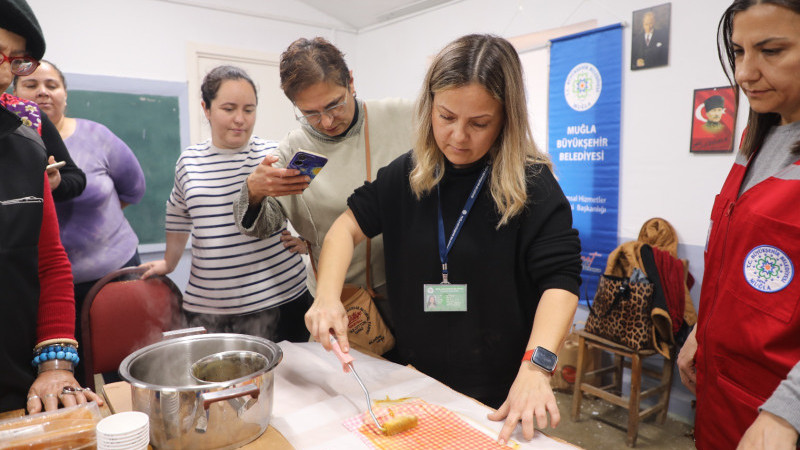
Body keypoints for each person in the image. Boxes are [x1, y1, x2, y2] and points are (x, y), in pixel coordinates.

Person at [304, 34, 581, 445]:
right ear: (429, 105)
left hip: (503, 395)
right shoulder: (407, 174)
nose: (458, 137)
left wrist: (537, 368)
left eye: (479, 123)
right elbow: (346, 227)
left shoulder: (533, 185)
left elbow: (560, 281)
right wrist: (326, 297)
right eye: (446, 116)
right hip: (416, 383)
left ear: (507, 117)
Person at [677, 1, 800, 448]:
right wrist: (701, 330)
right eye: (739, 52)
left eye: (770, 51)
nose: (745, 73)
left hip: (776, 414)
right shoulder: (760, 138)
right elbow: (735, 258)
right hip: (723, 396)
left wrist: (789, 413)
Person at [233, 37, 414, 329]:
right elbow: (261, 226)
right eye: (311, 113)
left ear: (351, 83)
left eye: (334, 105)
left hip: (403, 290)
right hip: (335, 300)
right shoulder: (293, 150)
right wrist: (254, 192)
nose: (327, 122)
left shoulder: (402, 118)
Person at [140, 65, 311, 342]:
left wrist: (309, 242)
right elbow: (178, 213)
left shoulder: (272, 155)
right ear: (206, 109)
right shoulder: (189, 162)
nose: (240, 119)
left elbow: (310, 204)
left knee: (291, 382)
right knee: (218, 383)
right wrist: (169, 263)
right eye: (229, 108)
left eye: (249, 109)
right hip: (211, 308)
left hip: (281, 299)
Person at [0, 0, 102, 414]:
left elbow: (50, 262)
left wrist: (55, 365)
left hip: (16, 385)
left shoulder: (26, 147)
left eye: (15, 60)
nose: (6, 73)